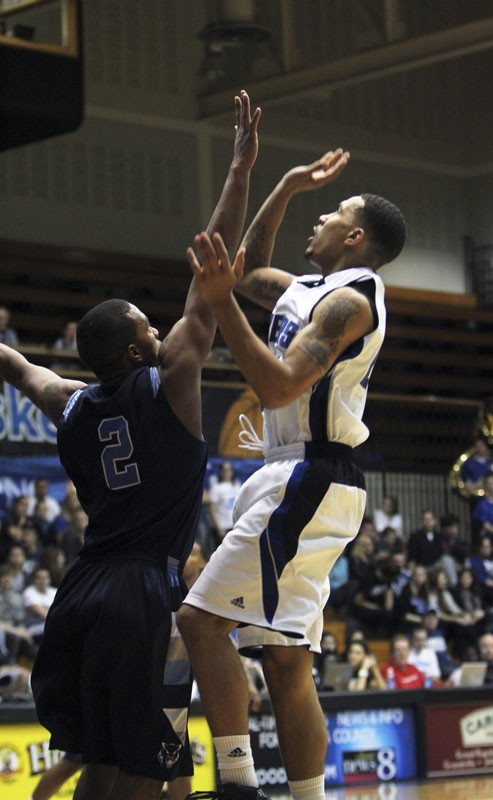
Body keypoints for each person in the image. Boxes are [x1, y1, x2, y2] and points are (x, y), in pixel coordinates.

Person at [0, 90, 260, 800]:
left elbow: (17, 364)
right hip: (144, 589)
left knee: (100, 758)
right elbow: (207, 285)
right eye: (149, 326)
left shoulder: (69, 404)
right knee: (145, 767)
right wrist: (239, 166)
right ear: (140, 343)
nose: (159, 330)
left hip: (81, 590)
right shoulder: (172, 380)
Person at [178, 148, 406, 800]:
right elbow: (243, 268)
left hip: (311, 474)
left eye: (332, 212)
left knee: (197, 623)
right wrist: (278, 184)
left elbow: (276, 388)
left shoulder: (351, 303)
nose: (320, 218)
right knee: (284, 661)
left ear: (354, 237)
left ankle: (238, 785)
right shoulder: (303, 289)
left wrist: (222, 308)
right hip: (290, 475)